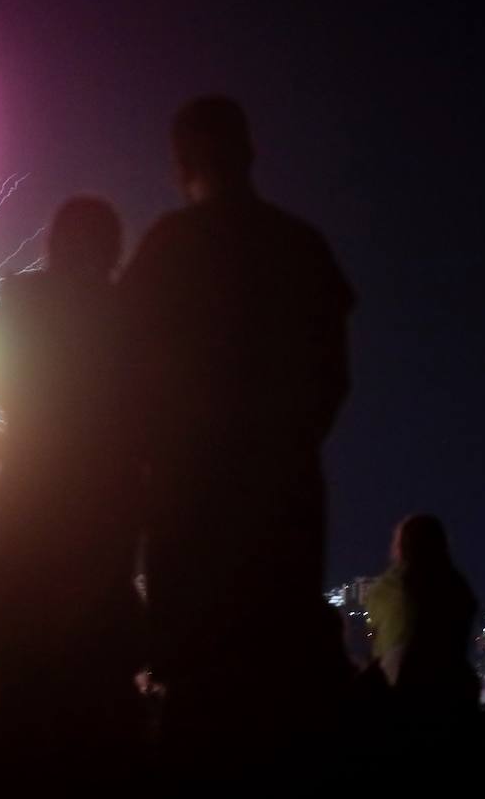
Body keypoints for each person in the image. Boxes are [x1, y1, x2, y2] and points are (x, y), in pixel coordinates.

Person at [119, 95, 354, 741]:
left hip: (188, 494)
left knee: (196, 678)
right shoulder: (301, 246)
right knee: (275, 674)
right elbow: (332, 379)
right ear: (249, 152)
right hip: (283, 493)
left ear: (182, 161)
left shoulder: (169, 247)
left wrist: (148, 464)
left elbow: (121, 369)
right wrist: (287, 446)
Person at [0, 195, 144, 744]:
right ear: (114, 250)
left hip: (31, 508)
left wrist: (24, 454)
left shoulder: (18, 307)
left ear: (52, 245)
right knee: (103, 684)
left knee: (25, 685)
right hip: (111, 512)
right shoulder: (132, 317)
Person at [364, 514, 479, 718]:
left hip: (399, 692)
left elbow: (376, 621)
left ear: (402, 547)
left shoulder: (393, 587)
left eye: (396, 541)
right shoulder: (458, 589)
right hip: (452, 692)